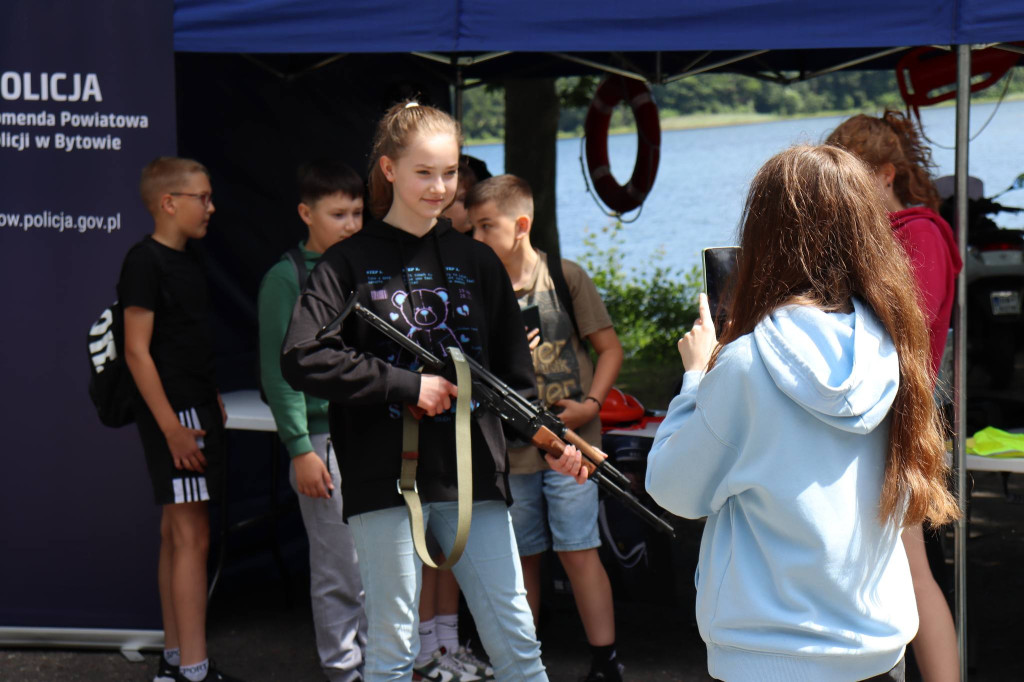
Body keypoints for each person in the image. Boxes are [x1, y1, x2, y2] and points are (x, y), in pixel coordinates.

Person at [641, 145, 960, 681]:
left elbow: (674, 489)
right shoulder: (895, 350)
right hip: (878, 649)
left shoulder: (745, 364)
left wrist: (695, 379)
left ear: (764, 235)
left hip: (765, 656)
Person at [280, 101, 549, 682]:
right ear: (389, 170)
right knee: (393, 653)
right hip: (385, 480)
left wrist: (560, 443)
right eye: (424, 172)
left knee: (519, 648)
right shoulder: (346, 263)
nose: (439, 187)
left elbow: (515, 383)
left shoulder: (477, 261)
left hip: (475, 478)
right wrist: (406, 385)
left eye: (449, 173)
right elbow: (301, 355)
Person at [467, 174, 626, 682]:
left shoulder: (564, 276)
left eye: (484, 227)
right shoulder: (477, 289)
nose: (475, 238)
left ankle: (606, 661)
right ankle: (523, 661)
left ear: (520, 226)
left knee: (579, 551)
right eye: (471, 228)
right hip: (510, 451)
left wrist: (591, 405)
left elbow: (609, 348)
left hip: (573, 445)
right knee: (522, 559)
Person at [827, 111, 963, 682]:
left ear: (886, 175)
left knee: (911, 568)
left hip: (903, 417)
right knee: (892, 568)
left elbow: (904, 325)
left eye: (853, 183)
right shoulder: (876, 237)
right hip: (872, 418)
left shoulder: (921, 232)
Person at [120, 157, 243, 682]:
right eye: (203, 197)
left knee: (177, 533)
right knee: (191, 537)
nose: (211, 207)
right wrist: (171, 425)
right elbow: (136, 352)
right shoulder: (144, 262)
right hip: (178, 418)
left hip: (193, 406)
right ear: (169, 203)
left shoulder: (188, 261)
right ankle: (193, 669)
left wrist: (209, 392)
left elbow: (183, 342)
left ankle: (176, 659)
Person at [257, 158, 367, 682]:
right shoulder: (286, 278)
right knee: (338, 568)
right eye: (339, 213)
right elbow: (280, 374)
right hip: (323, 441)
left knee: (381, 564)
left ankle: (383, 669)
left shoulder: (364, 267)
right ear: (306, 213)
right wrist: (300, 447)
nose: (351, 224)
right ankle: (345, 672)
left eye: (358, 213)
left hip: (374, 432)